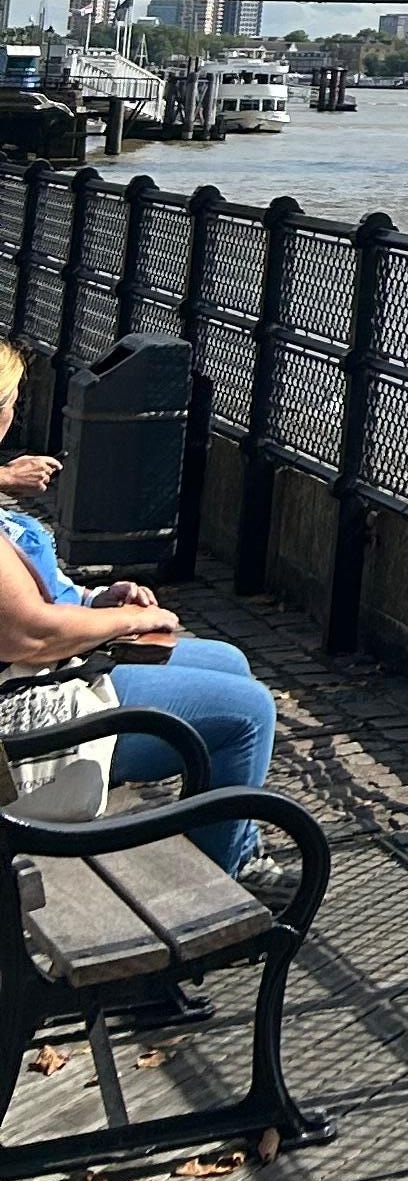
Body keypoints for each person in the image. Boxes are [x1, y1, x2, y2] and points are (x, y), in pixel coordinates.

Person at [0, 340, 279, 876]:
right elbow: (29, 636)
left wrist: (91, 600)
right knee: (249, 712)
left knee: (229, 663)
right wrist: (128, 619)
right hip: (26, 734)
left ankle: (229, 849)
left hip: (33, 684)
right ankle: (220, 893)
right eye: (12, 400)